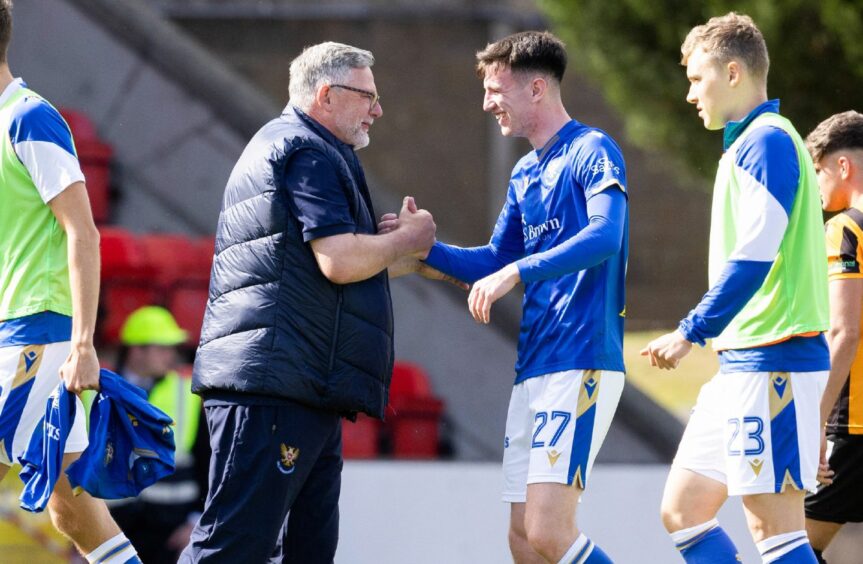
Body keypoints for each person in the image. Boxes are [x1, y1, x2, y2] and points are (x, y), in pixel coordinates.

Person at [178, 42, 441, 563]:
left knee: (307, 553)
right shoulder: (307, 149)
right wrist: (401, 242)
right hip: (276, 388)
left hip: (300, 387)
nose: (378, 109)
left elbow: (352, 263)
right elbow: (340, 261)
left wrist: (417, 250)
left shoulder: (303, 145)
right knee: (232, 550)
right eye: (368, 95)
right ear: (326, 94)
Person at [385, 30, 628, 563]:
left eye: (496, 89)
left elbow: (605, 235)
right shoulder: (525, 171)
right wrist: (420, 246)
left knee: (548, 531)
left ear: (537, 88)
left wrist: (517, 271)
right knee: (522, 539)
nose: (487, 102)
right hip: (536, 367)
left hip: (580, 357)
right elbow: (494, 261)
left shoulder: (592, 150)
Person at [642, 13, 830, 563]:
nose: (689, 94)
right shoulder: (747, 144)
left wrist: (690, 331)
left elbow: (755, 255)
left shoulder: (767, 143)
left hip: (776, 360)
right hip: (744, 363)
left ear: (731, 73)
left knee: (774, 530)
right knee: (684, 511)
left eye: (697, 79)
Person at [0, 1, 141, 562]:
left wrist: (83, 345)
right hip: (15, 327)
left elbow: (82, 232)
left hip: (37, 330)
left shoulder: (29, 118)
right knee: (71, 508)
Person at [802, 111, 863, 564]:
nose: (815, 184)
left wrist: (815, 421)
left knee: (788, 546)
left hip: (853, 425)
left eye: (817, 170)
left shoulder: (846, 229)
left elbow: (845, 331)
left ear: (843, 167)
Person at [104, 306, 209, 564]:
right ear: (136, 350)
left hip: (172, 532)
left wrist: (197, 520)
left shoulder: (189, 394)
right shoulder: (95, 391)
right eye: (162, 348)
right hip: (112, 529)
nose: (170, 356)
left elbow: (208, 462)